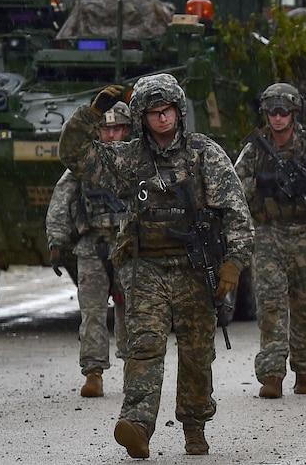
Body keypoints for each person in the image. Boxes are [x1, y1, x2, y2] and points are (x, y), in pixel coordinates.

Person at [59, 74, 253, 459]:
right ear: (141, 118)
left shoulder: (205, 154)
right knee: (143, 347)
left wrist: (234, 262)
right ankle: (137, 424)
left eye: (166, 111)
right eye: (152, 113)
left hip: (195, 270)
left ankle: (194, 425)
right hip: (145, 268)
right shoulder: (130, 157)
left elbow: (236, 213)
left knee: (197, 353)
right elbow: (75, 156)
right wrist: (91, 114)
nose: (161, 119)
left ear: (178, 111)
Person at [233, 83, 306, 398]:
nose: (277, 117)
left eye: (283, 111)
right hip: (269, 233)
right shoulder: (257, 149)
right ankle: (272, 374)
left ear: (294, 113)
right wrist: (262, 183)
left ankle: (304, 368)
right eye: (271, 111)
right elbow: (231, 187)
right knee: (271, 303)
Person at [46, 102, 133, 398]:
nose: (112, 135)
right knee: (93, 313)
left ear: (128, 129)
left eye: (118, 128)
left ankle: (133, 368)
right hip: (92, 245)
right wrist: (56, 241)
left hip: (130, 246)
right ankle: (93, 372)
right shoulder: (86, 162)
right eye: (106, 129)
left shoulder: (138, 161)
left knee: (132, 312)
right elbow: (62, 198)